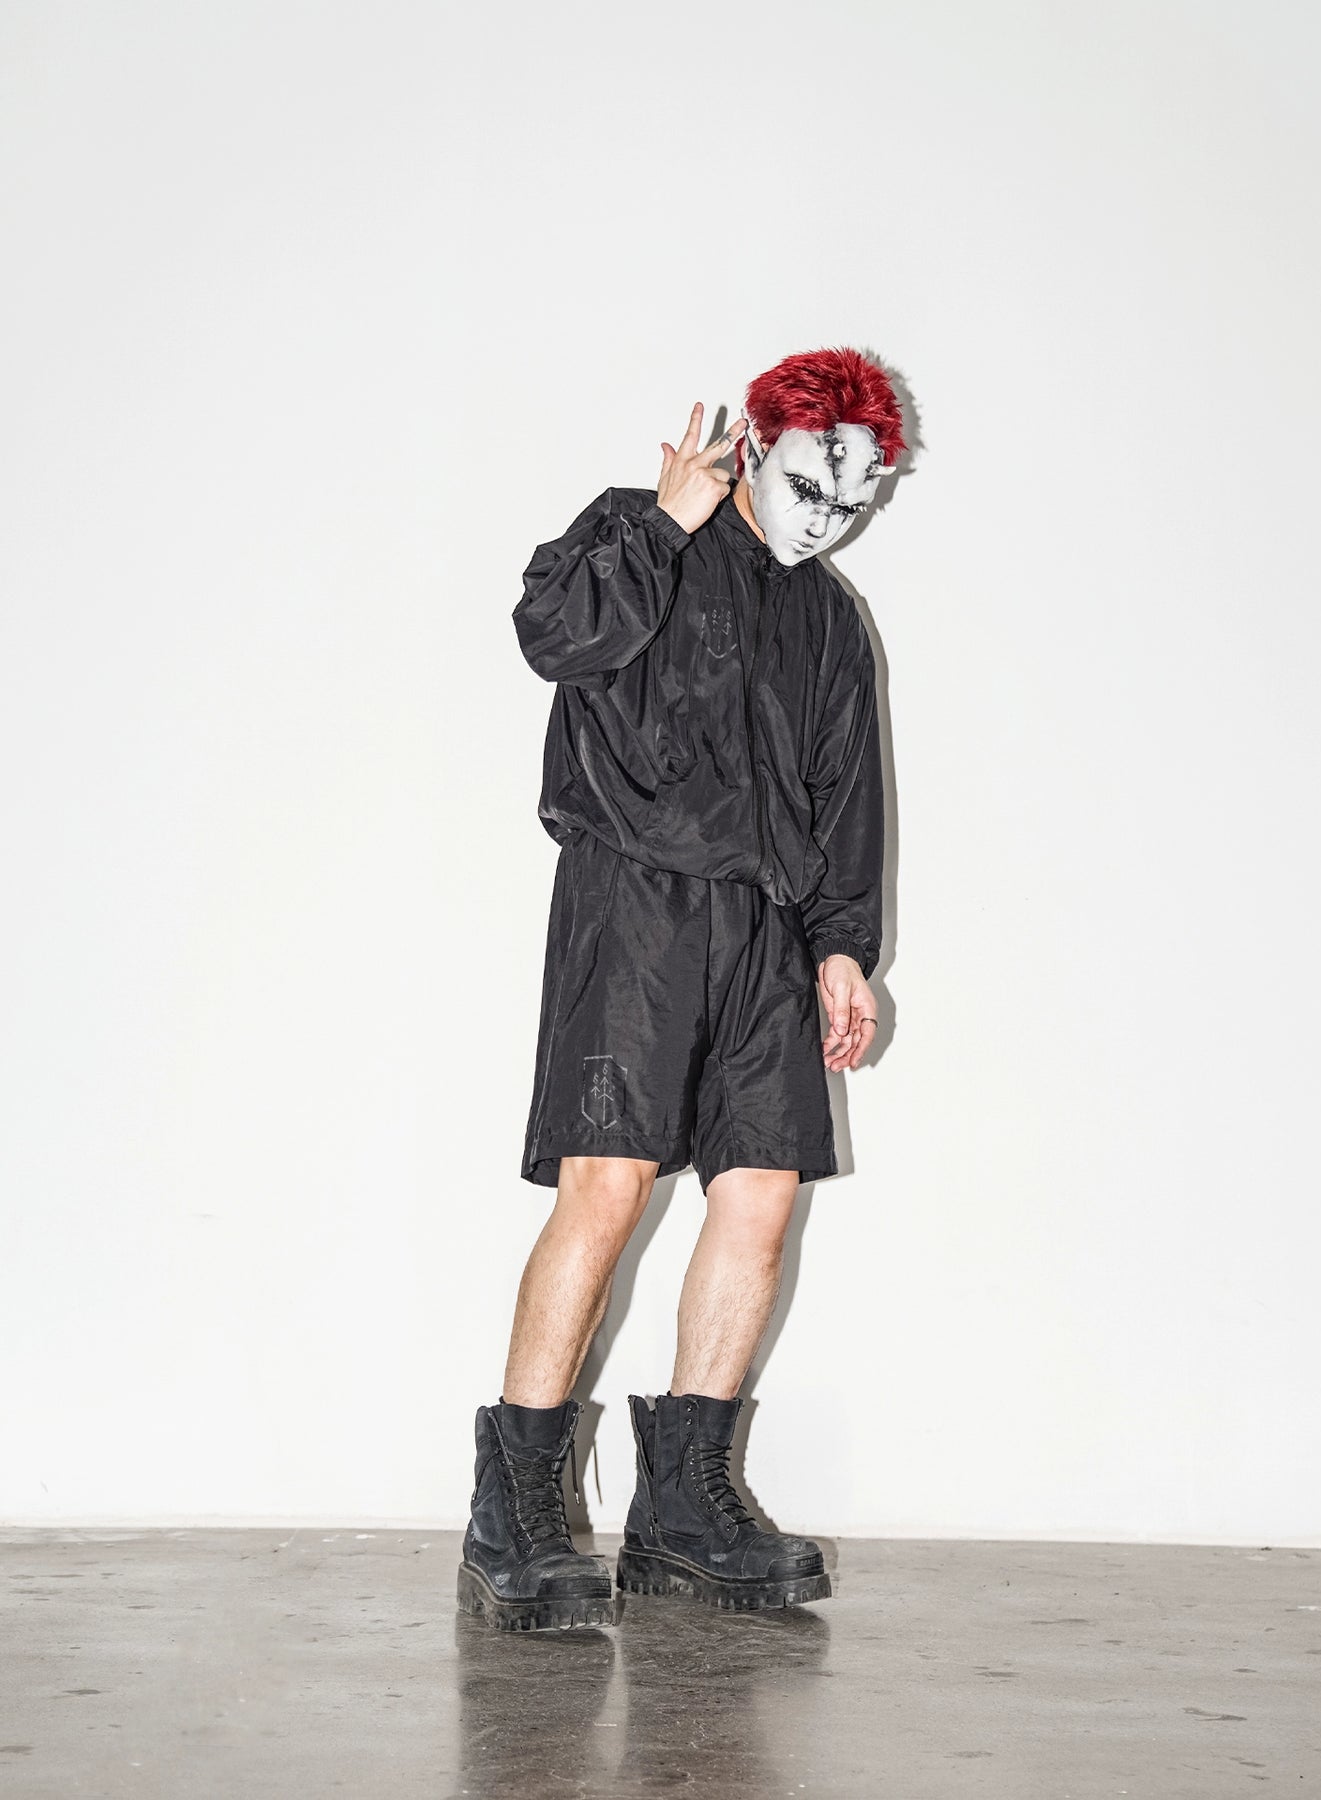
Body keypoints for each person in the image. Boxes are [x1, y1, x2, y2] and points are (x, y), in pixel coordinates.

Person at [457, 347, 905, 1632]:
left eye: (857, 498)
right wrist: (662, 525)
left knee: (760, 1192)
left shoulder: (831, 621)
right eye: (812, 484)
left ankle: (684, 1511)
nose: (828, 518)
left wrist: (841, 946)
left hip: (765, 924)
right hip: (636, 901)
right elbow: (551, 636)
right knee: (608, 1186)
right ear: (755, 445)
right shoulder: (641, 528)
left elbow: (845, 795)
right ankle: (514, 1506)